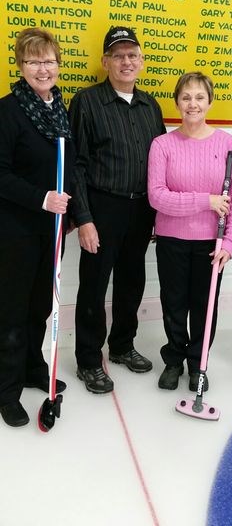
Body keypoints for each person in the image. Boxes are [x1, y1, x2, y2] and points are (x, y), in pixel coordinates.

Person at [69, 26, 166, 394]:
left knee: (131, 280)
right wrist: (85, 218)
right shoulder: (87, 102)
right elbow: (76, 165)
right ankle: (89, 361)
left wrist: (157, 212)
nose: (126, 61)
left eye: (132, 55)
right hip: (102, 206)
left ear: (141, 61)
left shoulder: (150, 105)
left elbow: (159, 162)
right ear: (105, 61)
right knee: (94, 285)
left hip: (141, 208)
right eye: (118, 55)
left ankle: (123, 345)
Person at [148, 72, 232, 391]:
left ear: (210, 101)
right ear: (177, 102)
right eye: (186, 97)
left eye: (199, 97)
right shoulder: (162, 145)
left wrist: (229, 242)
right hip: (172, 240)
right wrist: (207, 201)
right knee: (174, 304)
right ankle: (174, 361)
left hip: (211, 243)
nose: (193, 104)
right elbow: (157, 197)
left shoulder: (228, 145)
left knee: (205, 308)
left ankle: (198, 365)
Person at [0, 28, 73, 427]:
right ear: (21, 66)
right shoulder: (8, 111)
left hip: (52, 230)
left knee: (39, 307)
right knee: (11, 310)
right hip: (15, 230)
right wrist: (41, 198)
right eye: (33, 61)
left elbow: (69, 165)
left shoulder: (59, 109)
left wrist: (69, 210)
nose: (42, 69)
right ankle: (6, 390)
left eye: (48, 61)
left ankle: (32, 369)